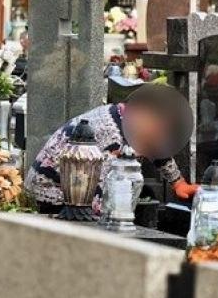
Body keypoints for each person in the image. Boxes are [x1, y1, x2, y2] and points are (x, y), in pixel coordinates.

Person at [26, 84, 197, 209]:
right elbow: (100, 187)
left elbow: (155, 147)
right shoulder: (112, 136)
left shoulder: (127, 116)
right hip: (54, 196)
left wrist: (178, 183)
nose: (159, 133)